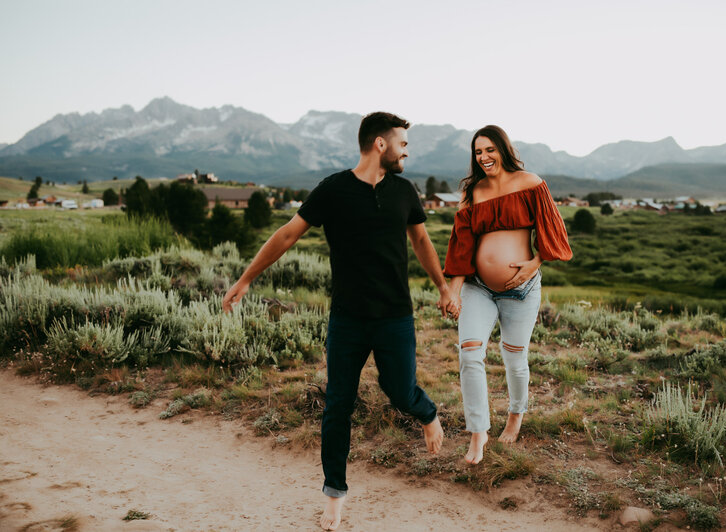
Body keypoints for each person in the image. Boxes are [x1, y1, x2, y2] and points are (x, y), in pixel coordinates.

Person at [222, 112, 451, 531]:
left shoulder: (405, 191)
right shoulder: (333, 189)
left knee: (400, 390)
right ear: (380, 144)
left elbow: (420, 240)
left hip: (395, 316)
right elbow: (288, 234)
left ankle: (427, 413)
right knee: (337, 407)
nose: (406, 151)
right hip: (347, 319)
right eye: (402, 143)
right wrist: (245, 279)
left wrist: (443, 287)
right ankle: (334, 496)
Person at [443, 125, 572, 465]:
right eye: (477, 152)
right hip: (478, 288)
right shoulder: (473, 193)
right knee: (469, 355)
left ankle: (516, 415)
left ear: (503, 148)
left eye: (489, 150)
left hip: (522, 289)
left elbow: (552, 229)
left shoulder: (531, 183)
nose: (483, 157)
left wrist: (535, 263)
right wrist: (453, 292)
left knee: (514, 358)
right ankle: (478, 433)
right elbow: (460, 247)